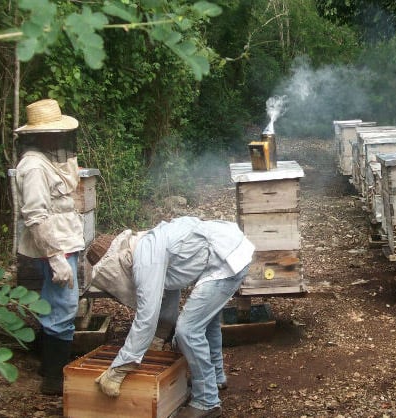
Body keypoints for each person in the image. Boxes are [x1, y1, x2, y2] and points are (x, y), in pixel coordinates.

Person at [86, 216, 255, 418]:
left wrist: (120, 367)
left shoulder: (146, 258)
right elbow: (169, 294)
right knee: (206, 324)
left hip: (226, 260)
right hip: (229, 248)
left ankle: (206, 401)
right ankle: (216, 378)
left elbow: (146, 316)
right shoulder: (145, 244)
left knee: (188, 331)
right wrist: (160, 335)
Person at [13, 99, 85, 395]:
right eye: (54, 133)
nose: (59, 137)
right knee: (65, 305)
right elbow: (35, 216)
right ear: (40, 135)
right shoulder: (32, 166)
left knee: (54, 301)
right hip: (54, 246)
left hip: (63, 240)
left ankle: (47, 364)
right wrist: (55, 257)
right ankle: (54, 379)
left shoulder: (46, 160)